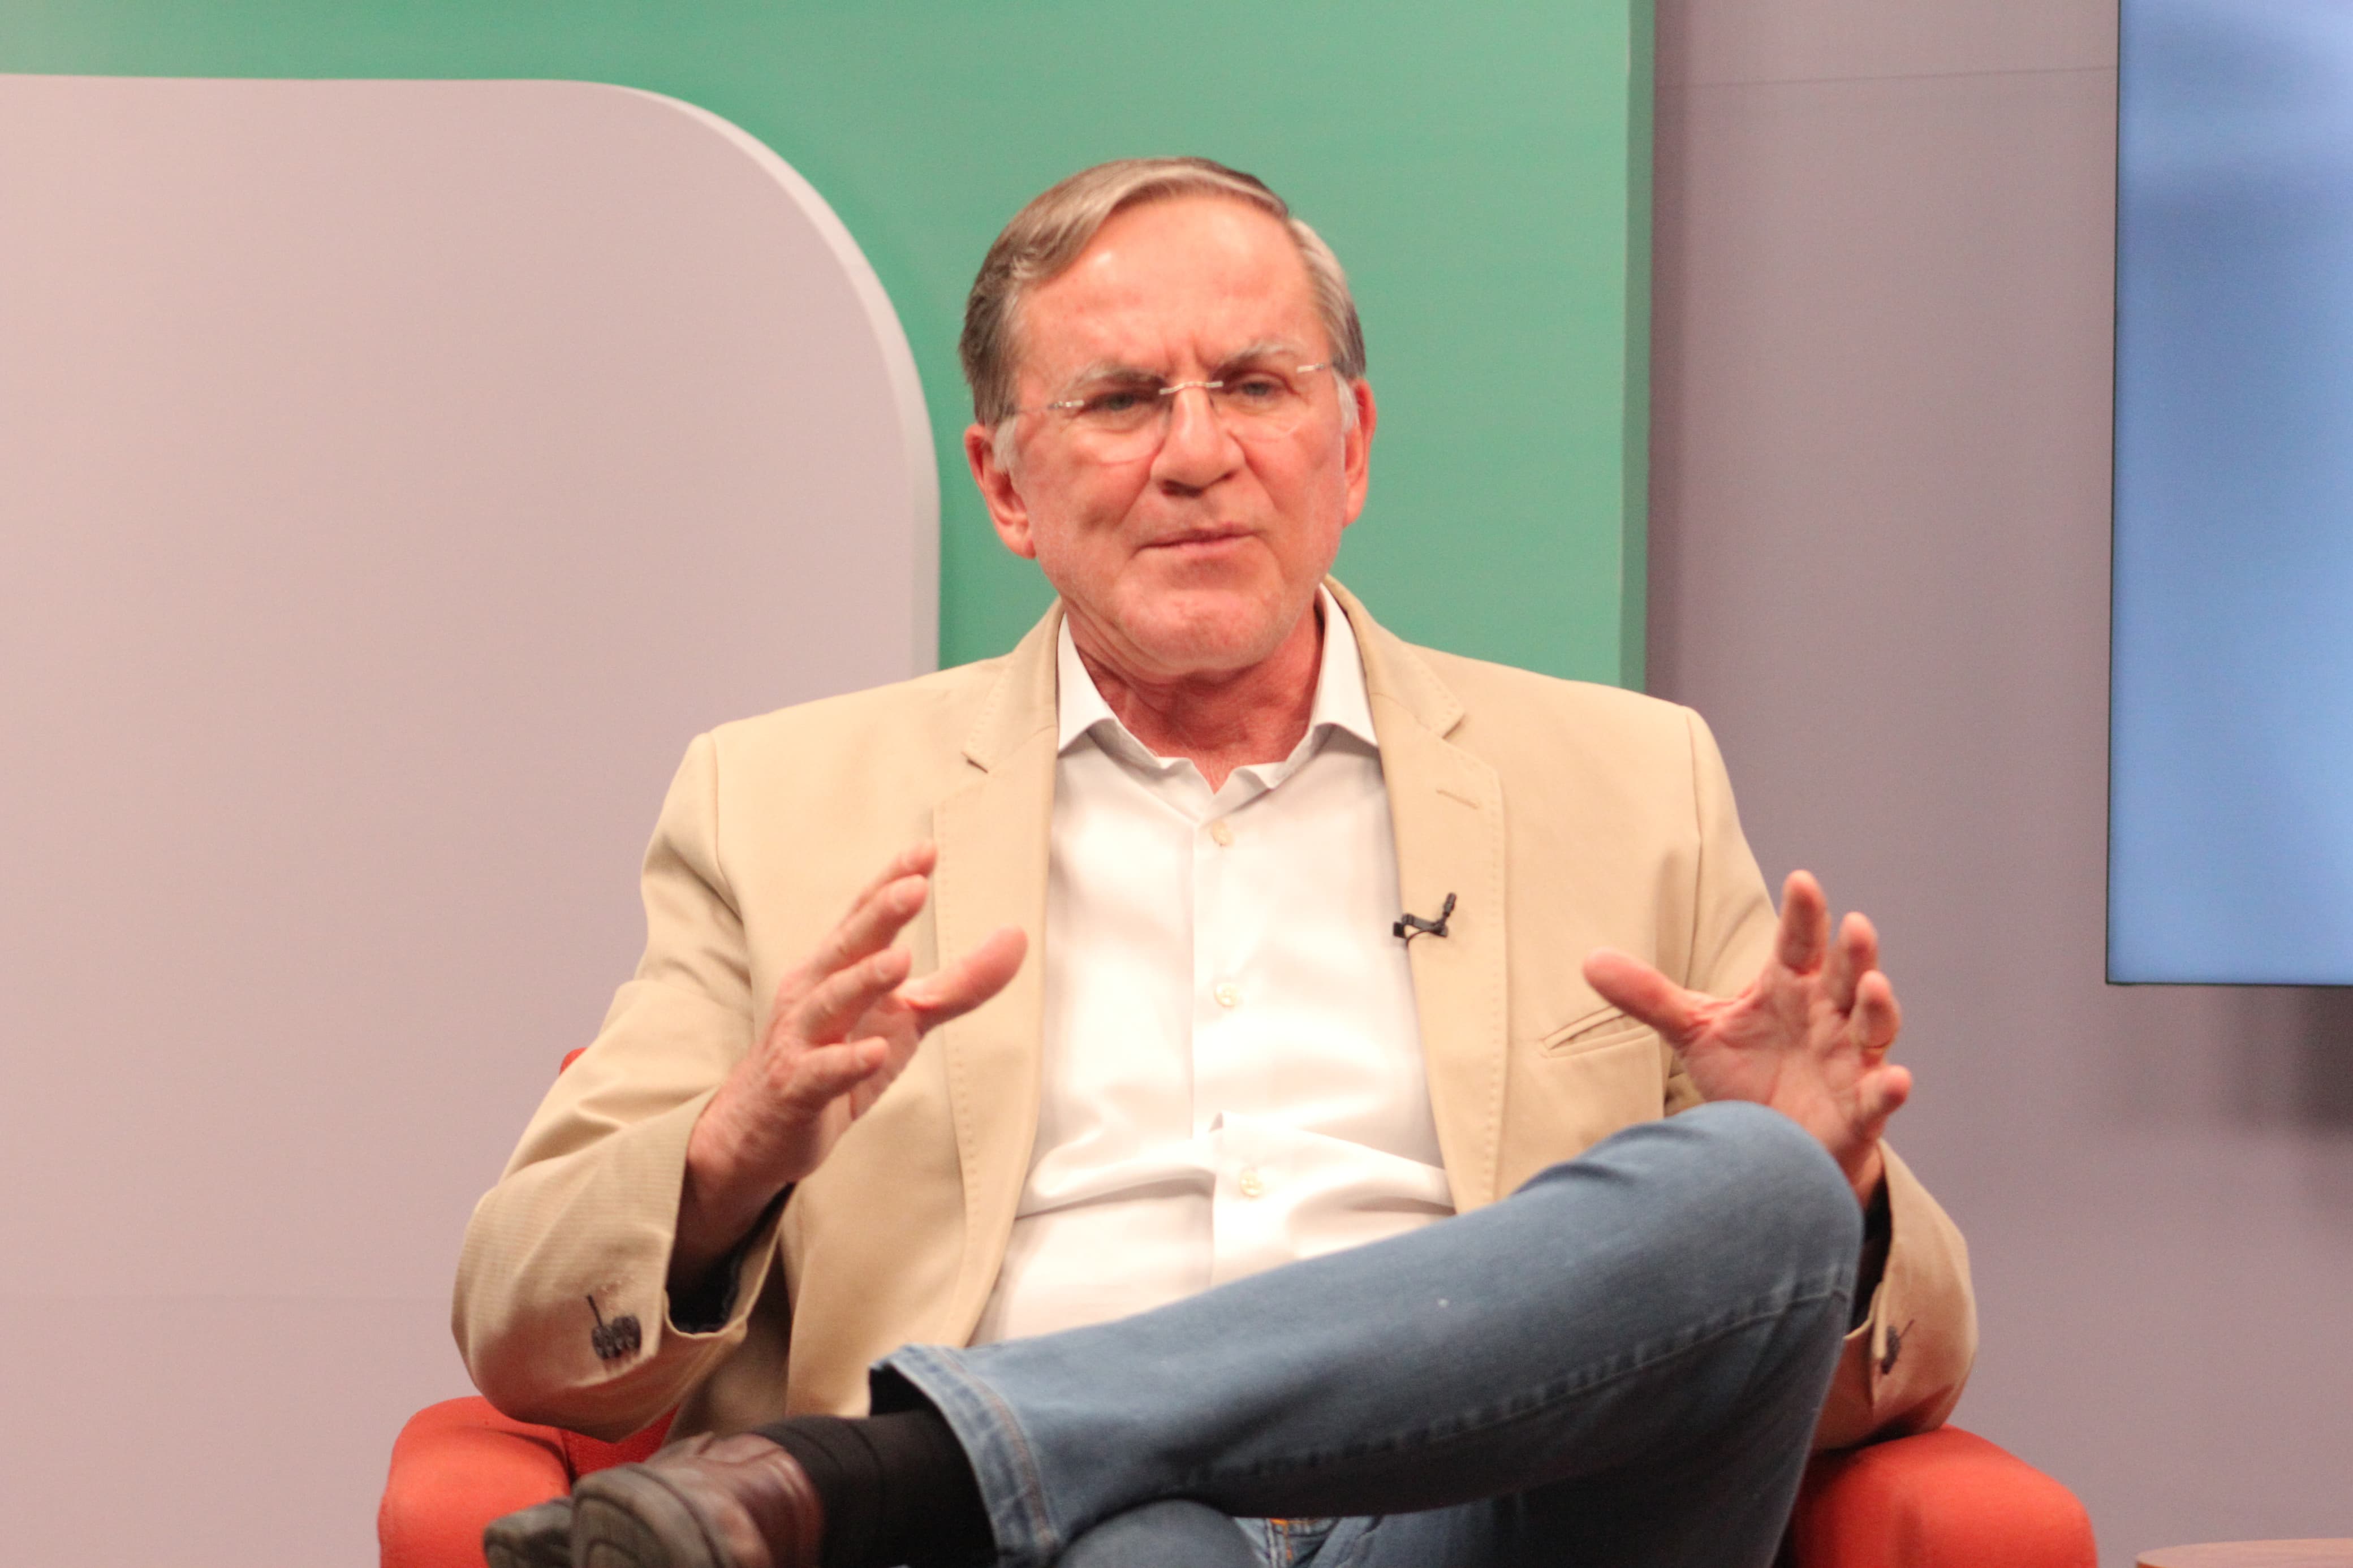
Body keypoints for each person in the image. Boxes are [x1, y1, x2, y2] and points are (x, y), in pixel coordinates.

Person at [456, 158, 1973, 1568]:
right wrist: (733, 1154)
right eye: (1121, 401)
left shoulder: (1629, 780)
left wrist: (1832, 1184)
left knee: (1761, 1188)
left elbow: (1892, 1364)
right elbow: (519, 1318)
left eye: (1255, 386)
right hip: (1080, 1547)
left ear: (1350, 447)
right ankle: (1003, 1469)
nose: (1199, 456)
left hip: (1496, 1521)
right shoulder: (783, 803)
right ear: (1006, 486)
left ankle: (919, 1462)